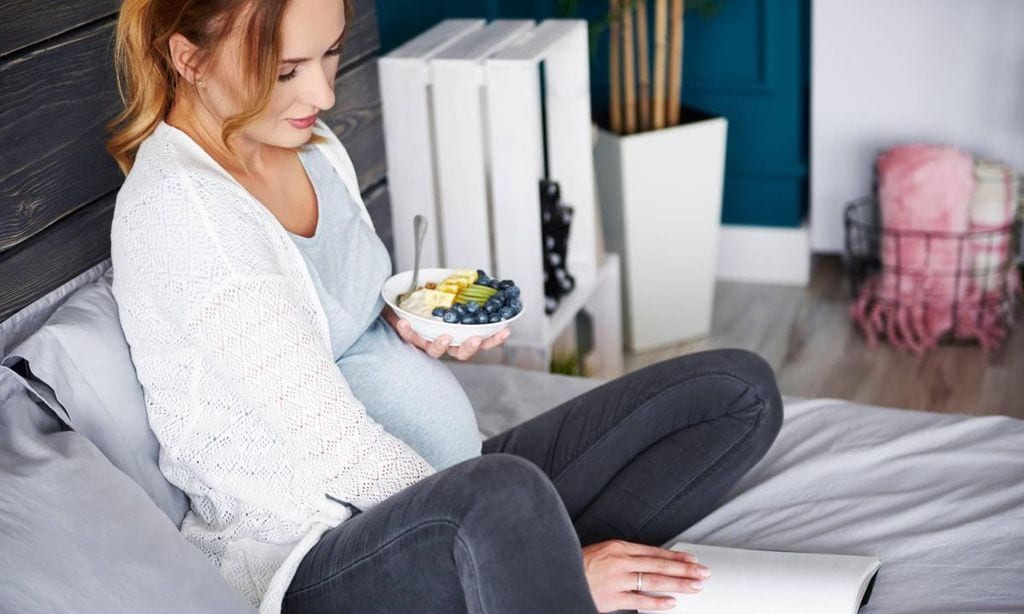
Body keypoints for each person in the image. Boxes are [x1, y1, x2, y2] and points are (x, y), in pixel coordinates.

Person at [106, 0, 783, 613]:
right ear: (188, 57)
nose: (322, 92)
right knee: (504, 495)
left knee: (735, 392)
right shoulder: (185, 216)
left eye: (331, 53)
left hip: (457, 490)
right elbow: (336, 450)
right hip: (321, 558)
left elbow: (345, 313)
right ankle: (538, 577)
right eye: (286, 71)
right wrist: (544, 557)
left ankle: (511, 572)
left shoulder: (311, 146)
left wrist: (409, 324)